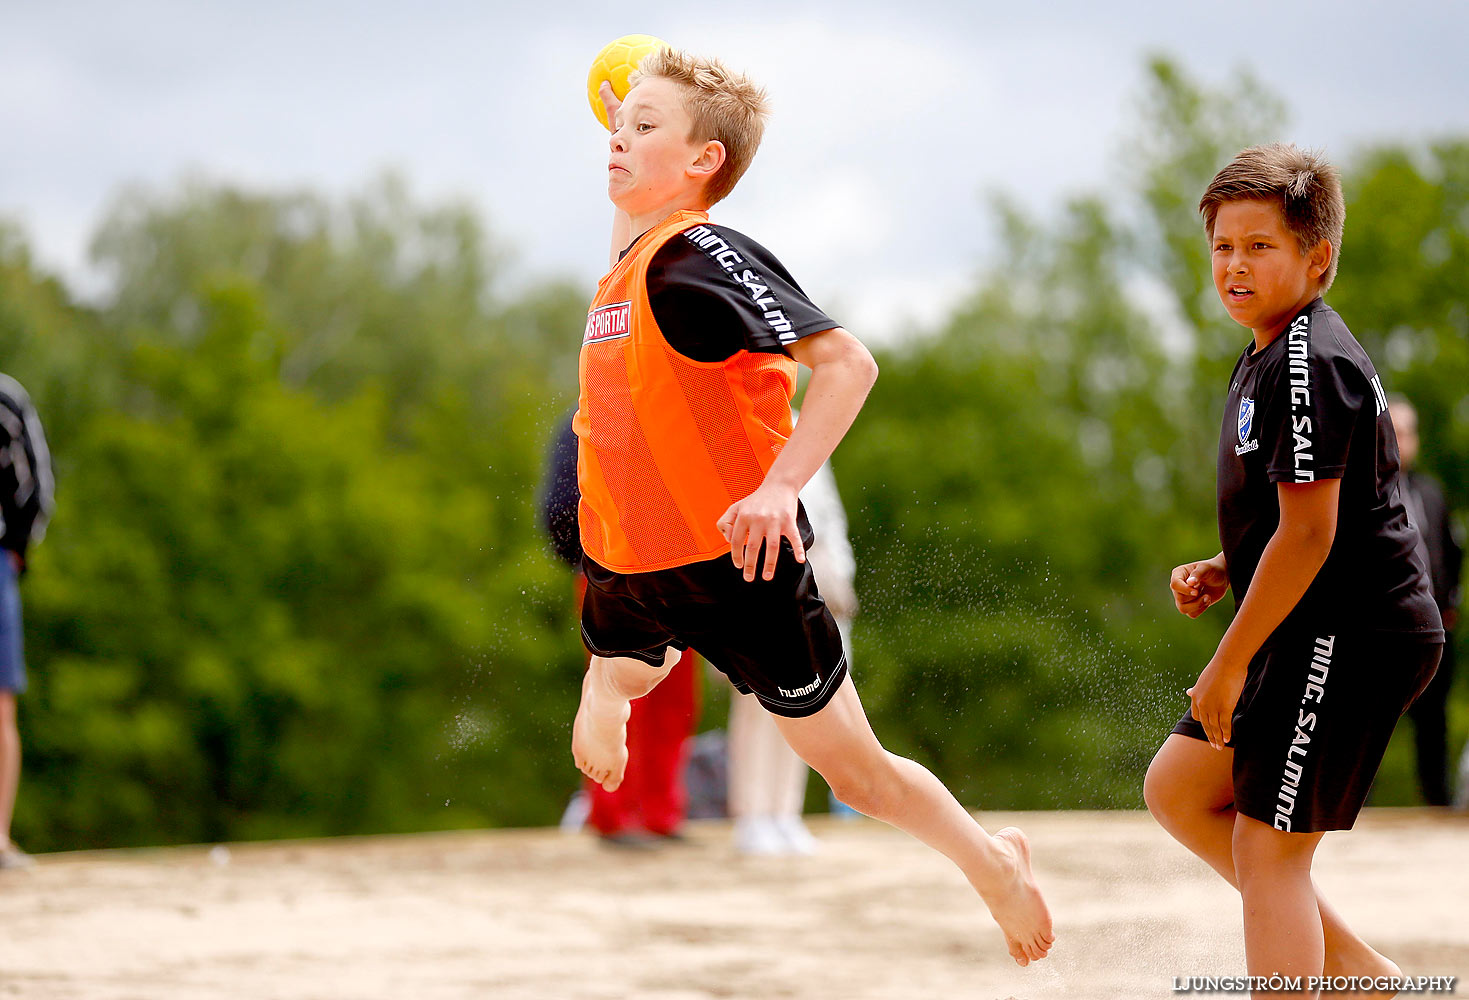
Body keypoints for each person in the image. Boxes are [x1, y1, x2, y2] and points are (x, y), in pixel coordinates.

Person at [570, 48, 1053, 965]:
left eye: (642, 130)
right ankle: (609, 682)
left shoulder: (701, 254)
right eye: (616, 128)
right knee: (625, 670)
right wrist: (632, 122)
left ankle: (991, 863)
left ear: (703, 161)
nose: (616, 144)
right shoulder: (627, 262)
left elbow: (849, 366)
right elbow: (634, 204)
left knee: (859, 777)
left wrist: (779, 486)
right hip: (633, 565)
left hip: (738, 567)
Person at [1143, 145, 1444, 994]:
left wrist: (1228, 661)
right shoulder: (1269, 350)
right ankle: (1363, 976)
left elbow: (1311, 538)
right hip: (1312, 617)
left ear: (1317, 258)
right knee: (1177, 790)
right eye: (1221, 247)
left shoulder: (1308, 362)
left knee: (1264, 846)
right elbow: (1306, 522)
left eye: (1259, 247)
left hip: (1352, 635)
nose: (1234, 265)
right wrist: (1227, 564)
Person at [540, 410, 698, 847]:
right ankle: (612, 816)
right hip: (610, 571)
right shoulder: (584, 418)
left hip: (681, 571)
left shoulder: (672, 410)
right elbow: (558, 506)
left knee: (676, 699)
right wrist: (591, 560)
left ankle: (660, 813)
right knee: (615, 691)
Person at [727, 411, 858, 855]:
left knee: (810, 707)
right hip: (760, 580)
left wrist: (840, 572)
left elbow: (831, 515)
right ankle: (752, 815)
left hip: (816, 585)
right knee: (758, 707)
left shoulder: (809, 424)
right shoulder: (739, 426)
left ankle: (785, 813)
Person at [1387, 396, 1462, 806]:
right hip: (1379, 630)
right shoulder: (1363, 491)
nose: (1400, 442)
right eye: (1392, 432)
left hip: (1432, 628)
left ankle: (1437, 804)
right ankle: (1350, 810)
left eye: (1406, 433)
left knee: (1434, 723)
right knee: (1367, 722)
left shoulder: (1432, 493)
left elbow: (1451, 551)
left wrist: (1451, 605)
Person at [0, 373, 53, 871]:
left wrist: (15, 549)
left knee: (0, 705)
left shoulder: (6, 399)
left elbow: (37, 485)